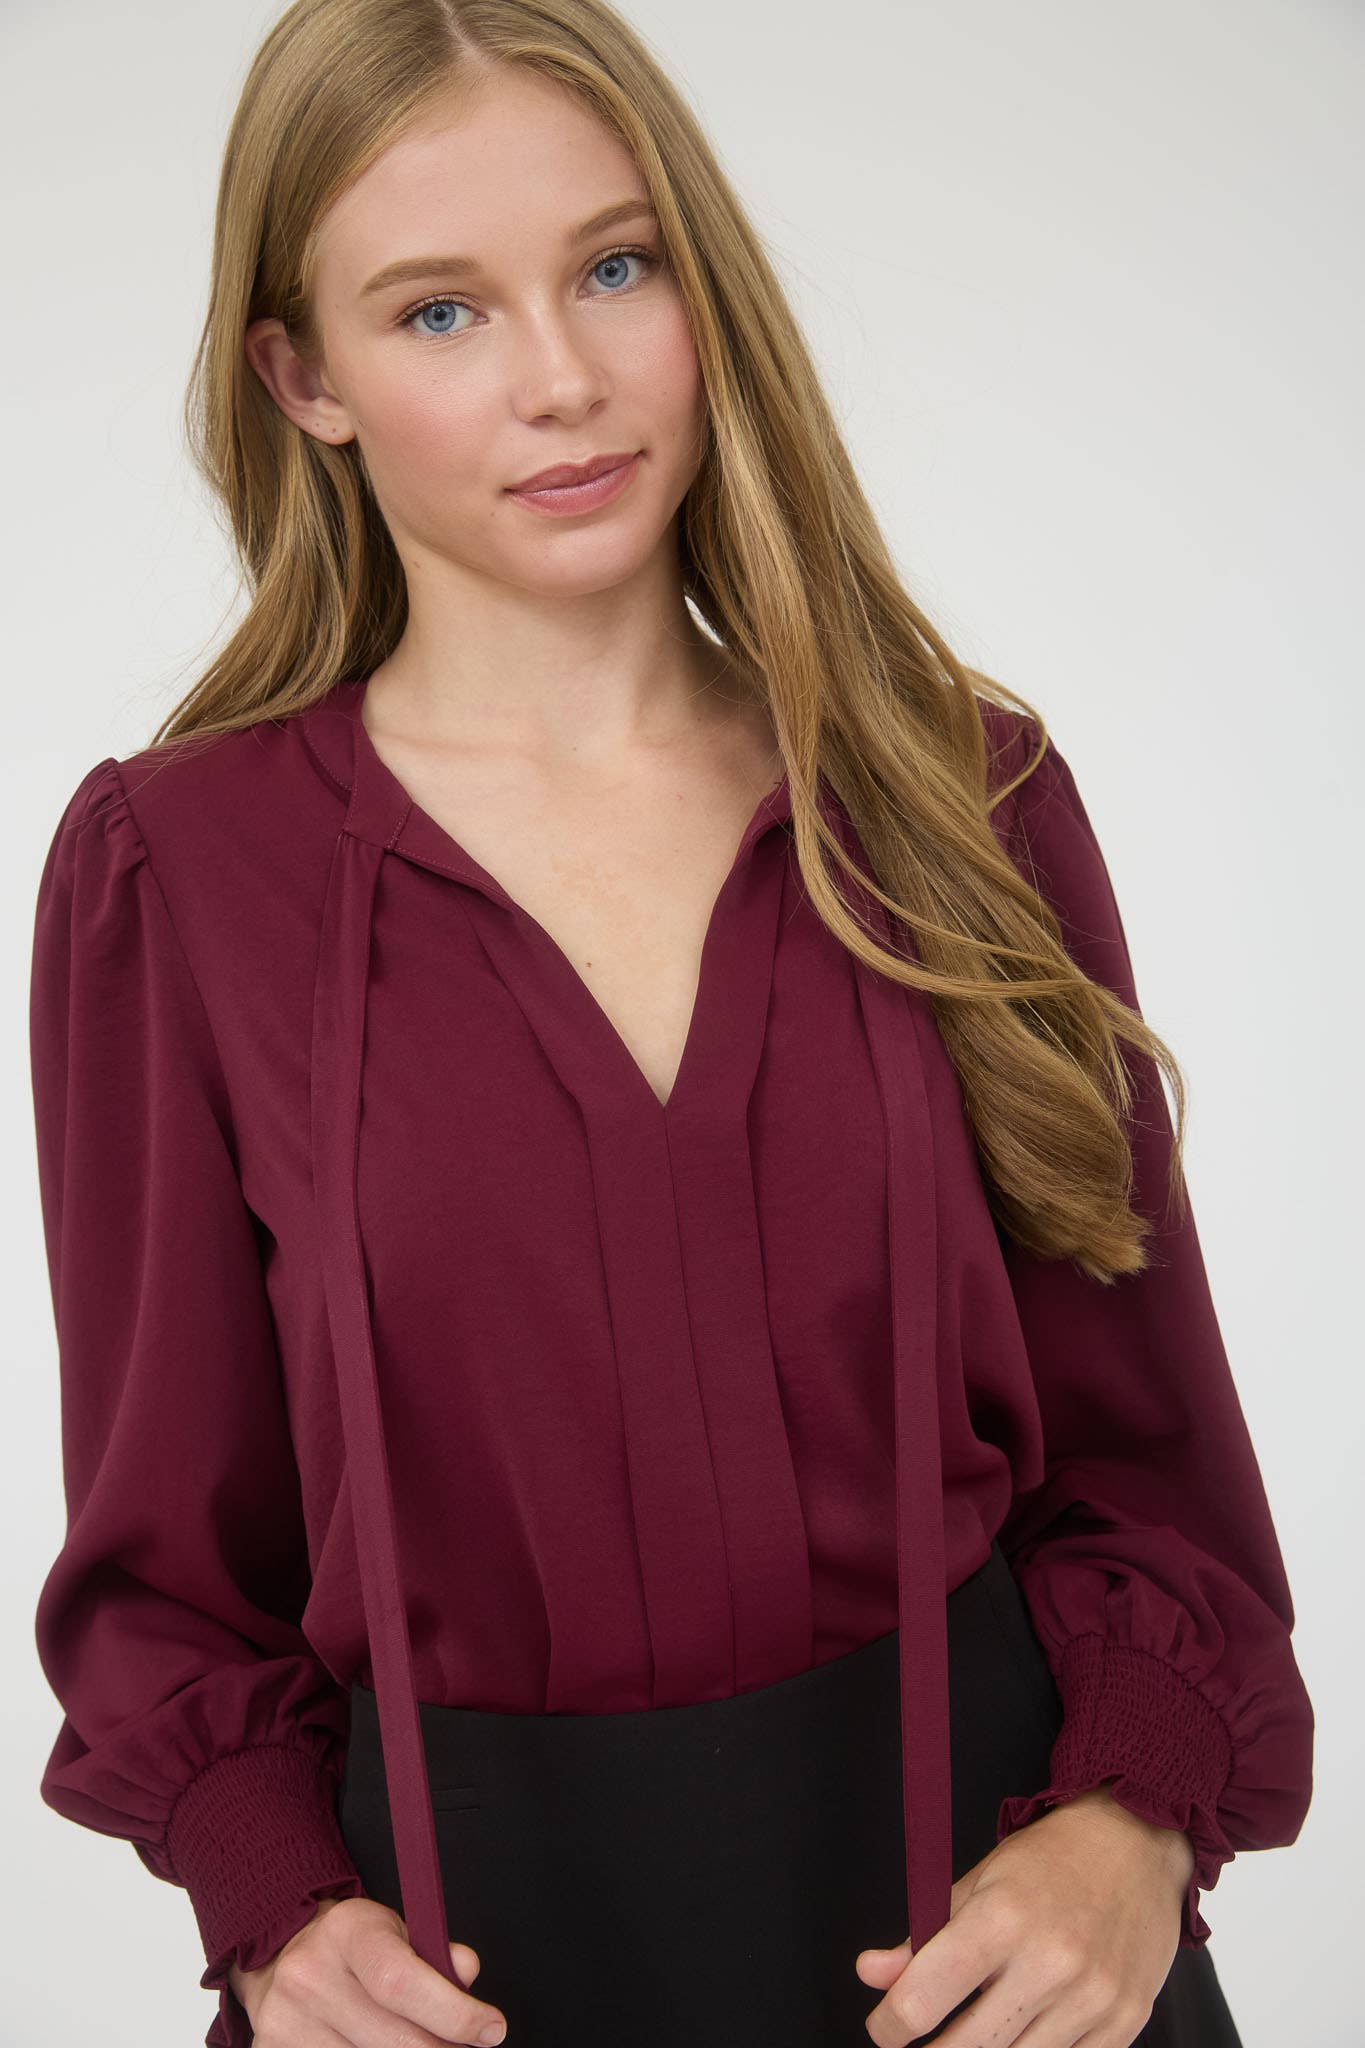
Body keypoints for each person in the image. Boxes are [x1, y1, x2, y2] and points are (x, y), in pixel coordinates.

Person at [26, 2, 1314, 2045]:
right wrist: (272, 1907)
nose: (561, 377)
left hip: (1006, 1966)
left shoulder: (958, 795)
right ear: (303, 379)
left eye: (615, 268)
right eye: (438, 311)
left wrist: (1131, 1829)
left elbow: (1149, 1450)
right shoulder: (175, 879)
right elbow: (169, 1557)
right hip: (457, 1986)